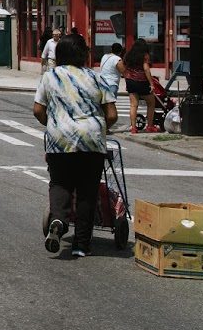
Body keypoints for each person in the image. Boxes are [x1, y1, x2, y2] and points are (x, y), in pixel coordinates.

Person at [34, 33, 118, 257]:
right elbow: (111, 114)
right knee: (87, 191)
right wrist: (101, 128)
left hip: (59, 140)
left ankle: (59, 221)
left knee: (60, 184)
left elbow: (38, 110)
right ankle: (81, 245)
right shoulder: (97, 77)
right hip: (91, 141)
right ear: (83, 55)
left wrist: (53, 124)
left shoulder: (50, 77)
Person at [123, 39, 156, 133]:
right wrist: (151, 84)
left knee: (133, 105)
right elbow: (146, 69)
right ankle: (149, 126)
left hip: (130, 81)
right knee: (151, 103)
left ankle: (133, 128)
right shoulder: (144, 56)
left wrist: (127, 80)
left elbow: (125, 69)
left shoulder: (128, 55)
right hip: (141, 82)